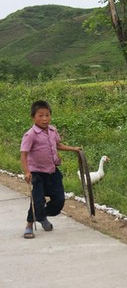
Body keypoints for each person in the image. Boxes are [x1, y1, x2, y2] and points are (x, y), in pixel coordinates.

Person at [21, 100, 81, 239]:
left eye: (47, 115)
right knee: (37, 200)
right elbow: (23, 154)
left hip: (52, 171)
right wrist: (27, 171)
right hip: (37, 173)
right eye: (41, 115)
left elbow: (58, 145)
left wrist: (73, 149)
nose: (44, 118)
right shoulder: (30, 135)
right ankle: (29, 226)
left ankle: (41, 216)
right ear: (33, 117)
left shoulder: (53, 130)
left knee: (59, 201)